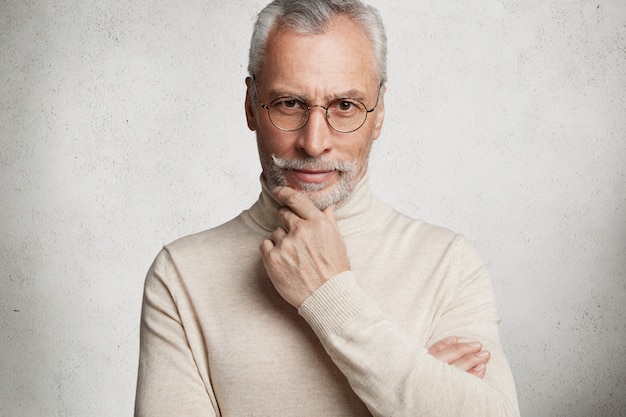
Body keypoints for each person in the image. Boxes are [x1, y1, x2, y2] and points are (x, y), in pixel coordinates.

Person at [134, 0, 520, 416]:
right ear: (251, 105)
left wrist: (329, 295)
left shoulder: (449, 264)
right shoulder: (182, 275)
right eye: (289, 104)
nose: (314, 142)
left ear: (379, 112)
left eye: (345, 106)